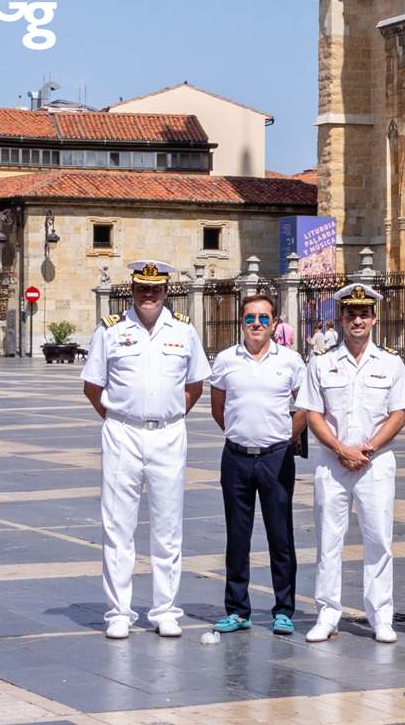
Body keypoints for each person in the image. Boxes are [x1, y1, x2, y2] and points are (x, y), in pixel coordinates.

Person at [81, 260, 211, 640]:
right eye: (142, 288)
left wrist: (165, 417)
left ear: (166, 291)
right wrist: (121, 418)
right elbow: (93, 385)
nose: (149, 294)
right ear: (132, 290)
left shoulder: (184, 331)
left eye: (155, 288)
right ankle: (118, 611)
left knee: (168, 525)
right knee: (118, 524)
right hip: (122, 432)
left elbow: (195, 386)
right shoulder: (111, 331)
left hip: (169, 434)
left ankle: (165, 609)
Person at [297, 283, 405, 643]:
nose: (357, 320)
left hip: (375, 462)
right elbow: (313, 414)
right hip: (332, 462)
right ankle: (327, 613)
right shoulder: (322, 362)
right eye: (351, 314)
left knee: (379, 538)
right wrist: (340, 449)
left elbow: (398, 414)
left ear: (375, 318)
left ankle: (380, 615)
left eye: (364, 313)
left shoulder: (391, 362)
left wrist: (367, 449)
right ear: (341, 318)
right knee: (329, 540)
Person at [208, 295, 306, 636]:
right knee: (237, 535)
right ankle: (237, 609)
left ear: (275, 323)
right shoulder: (225, 360)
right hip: (235, 457)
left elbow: (303, 405)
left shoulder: (291, 361)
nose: (257, 325)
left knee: (281, 535)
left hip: (276, 457)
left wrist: (282, 437)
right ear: (241, 321)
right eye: (250, 318)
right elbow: (218, 407)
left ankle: (284, 608)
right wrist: (240, 434)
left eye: (264, 319)